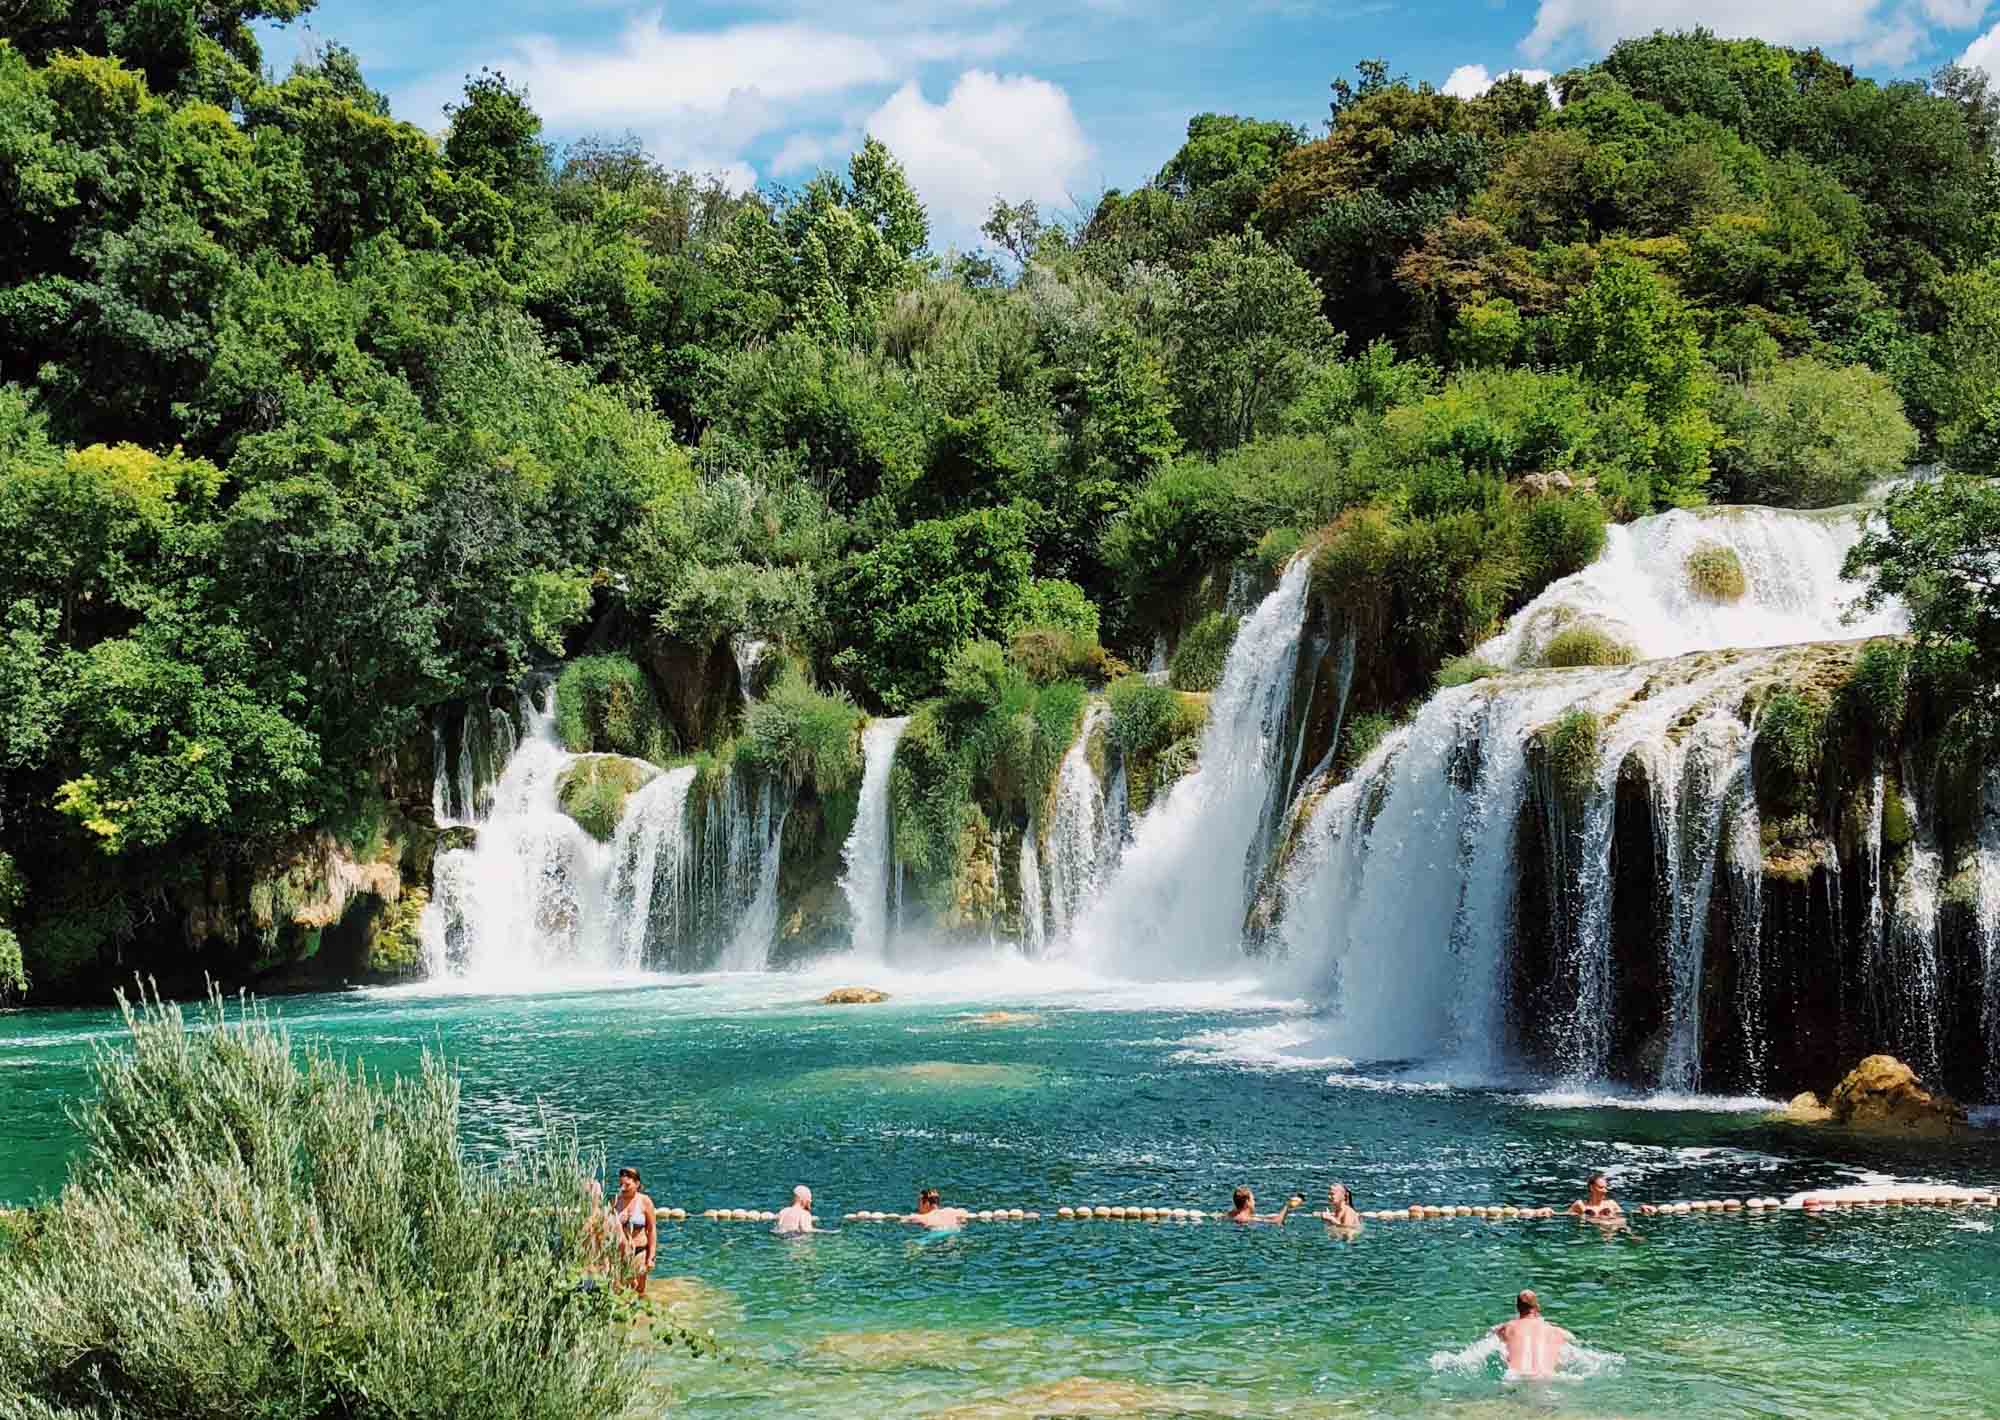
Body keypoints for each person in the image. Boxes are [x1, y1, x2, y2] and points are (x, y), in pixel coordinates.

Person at [1491, 1290, 1573, 1379]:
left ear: (1517, 1308)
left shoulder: (1507, 1328)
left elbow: (1491, 1334)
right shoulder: (1556, 1331)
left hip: (1516, 1377)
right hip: (1547, 1377)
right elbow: (1573, 1339)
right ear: (1538, 1307)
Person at [610, 1166, 657, 1295]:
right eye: (621, 1184)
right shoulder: (615, 1201)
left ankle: (643, 1315)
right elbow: (608, 1228)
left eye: (627, 1184)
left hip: (639, 1252)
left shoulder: (644, 1201)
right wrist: (618, 1221)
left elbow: (652, 1230)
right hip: (619, 1254)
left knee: (639, 1290)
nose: (623, 1188)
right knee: (619, 1290)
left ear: (637, 1184)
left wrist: (651, 1258)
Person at [903, 1187, 972, 1231]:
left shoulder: (918, 1217)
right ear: (938, 1202)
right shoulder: (956, 1211)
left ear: (924, 1203)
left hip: (936, 1234)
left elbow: (895, 1218)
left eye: (919, 1202)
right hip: (955, 1231)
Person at [1227, 1186, 1304, 1224]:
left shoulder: (1233, 1214)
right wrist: (1287, 1206)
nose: (1254, 1203)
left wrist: (1283, 1213)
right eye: (1253, 1200)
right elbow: (1276, 1222)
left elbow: (1264, 1217)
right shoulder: (1245, 1219)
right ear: (1247, 1202)